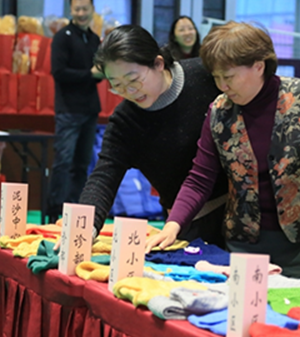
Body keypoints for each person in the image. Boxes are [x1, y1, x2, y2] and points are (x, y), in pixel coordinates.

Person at [146, 21, 300, 285]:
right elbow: (200, 178)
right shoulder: (219, 111)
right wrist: (173, 225)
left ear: (259, 66)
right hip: (243, 245)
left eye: (228, 77)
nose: (222, 86)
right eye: (216, 78)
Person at [79, 24, 227, 245]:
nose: (129, 92)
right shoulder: (126, 121)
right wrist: (84, 229)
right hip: (186, 225)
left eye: (133, 80)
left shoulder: (204, 75)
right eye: (117, 85)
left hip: (242, 213)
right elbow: (104, 177)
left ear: (158, 63)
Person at [46, 0, 105, 224]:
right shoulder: (62, 37)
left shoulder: (94, 39)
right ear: (70, 10)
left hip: (90, 110)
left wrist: (100, 73)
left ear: (92, 10)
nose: (81, 13)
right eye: (77, 9)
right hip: (68, 111)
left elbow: (98, 74)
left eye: (85, 9)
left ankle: (75, 213)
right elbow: (58, 72)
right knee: (63, 162)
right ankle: (53, 212)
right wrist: (89, 73)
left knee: (82, 165)